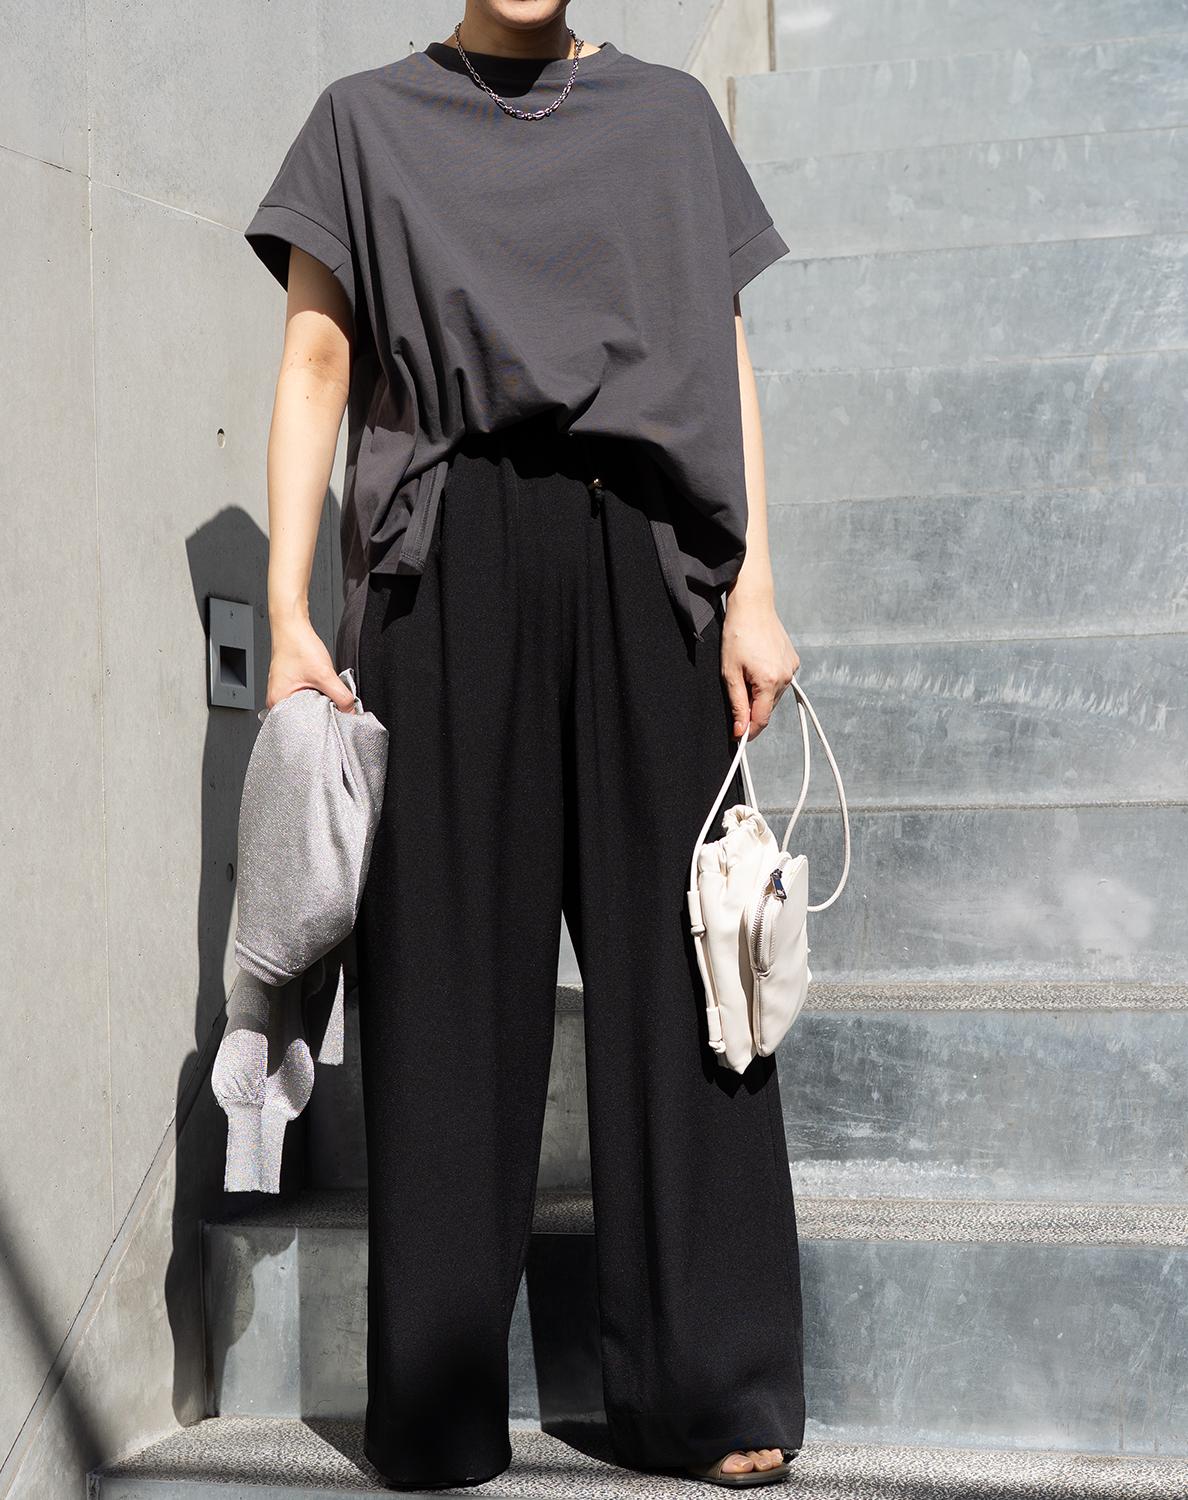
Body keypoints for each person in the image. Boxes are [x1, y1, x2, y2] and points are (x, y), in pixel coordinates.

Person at [243, 2, 804, 1489]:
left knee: (685, 973)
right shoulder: (364, 122)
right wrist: (289, 610)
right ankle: (436, 1404)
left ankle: (712, 1387)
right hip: (450, 565)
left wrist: (754, 587)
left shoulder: (670, 117)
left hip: (649, 560)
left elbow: (722, 354)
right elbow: (317, 363)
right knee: (443, 983)